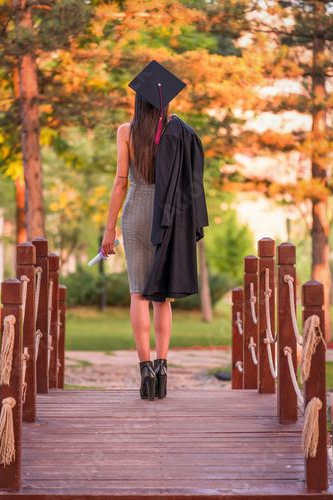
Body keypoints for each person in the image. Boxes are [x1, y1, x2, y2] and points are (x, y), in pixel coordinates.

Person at [101, 61, 208, 402]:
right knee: (161, 296)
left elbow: (120, 182)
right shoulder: (177, 132)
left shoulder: (126, 131)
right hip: (169, 215)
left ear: (138, 101)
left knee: (138, 294)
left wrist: (108, 231)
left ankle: (145, 372)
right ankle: (163, 369)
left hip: (136, 211)